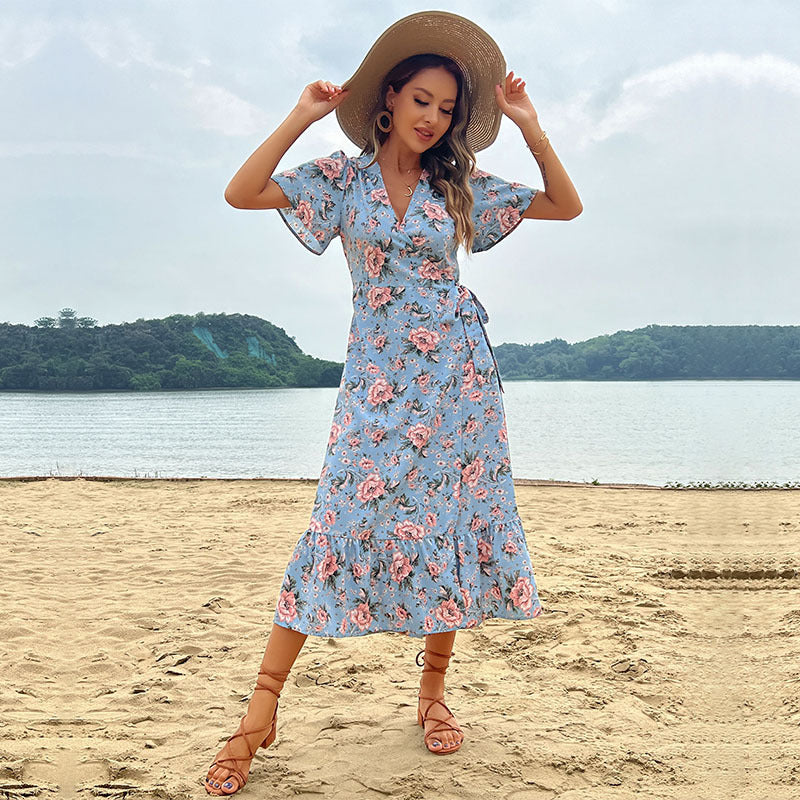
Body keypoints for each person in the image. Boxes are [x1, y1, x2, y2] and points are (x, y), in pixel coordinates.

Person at [205, 10, 582, 795]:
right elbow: (242, 192)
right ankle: (260, 710)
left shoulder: (459, 182)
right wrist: (301, 116)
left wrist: (531, 128)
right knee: (338, 520)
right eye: (421, 99)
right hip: (375, 381)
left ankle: (434, 693)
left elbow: (564, 205)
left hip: (457, 381)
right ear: (388, 98)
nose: (431, 117)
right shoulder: (340, 181)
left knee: (444, 516)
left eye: (446, 108)